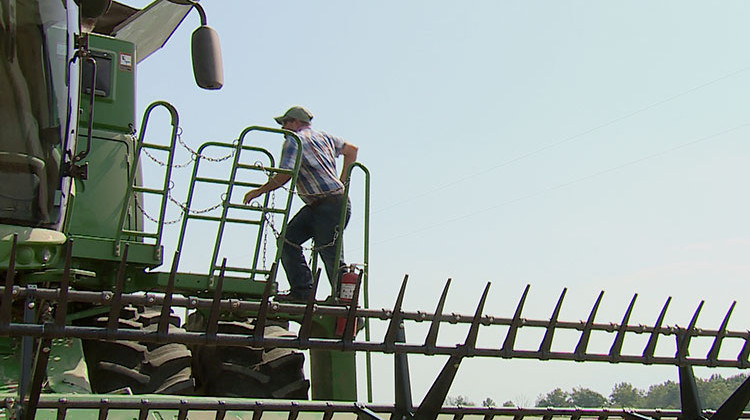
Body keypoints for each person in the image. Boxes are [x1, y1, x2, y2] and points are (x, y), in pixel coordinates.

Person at [243, 106, 358, 302]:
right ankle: (303, 291)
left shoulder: (293, 140)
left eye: (284, 123)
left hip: (328, 205)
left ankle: (347, 305)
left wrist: (259, 191)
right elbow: (351, 150)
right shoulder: (324, 137)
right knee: (288, 241)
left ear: (295, 122)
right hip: (327, 202)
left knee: (330, 252)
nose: (282, 129)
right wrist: (343, 179)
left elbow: (285, 175)